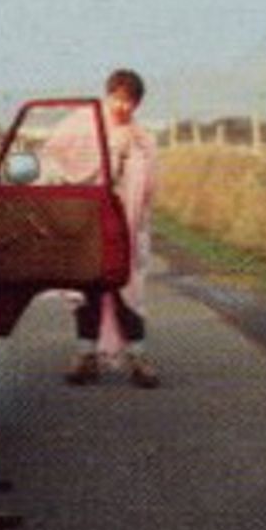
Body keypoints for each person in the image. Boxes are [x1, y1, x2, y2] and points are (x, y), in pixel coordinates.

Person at [64, 68, 159, 389]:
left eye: (130, 101)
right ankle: (85, 356)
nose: (123, 107)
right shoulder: (83, 126)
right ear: (108, 96)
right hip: (87, 221)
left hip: (126, 225)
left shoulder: (142, 138)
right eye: (118, 99)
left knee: (127, 288)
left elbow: (148, 189)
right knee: (87, 288)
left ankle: (139, 358)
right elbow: (57, 160)